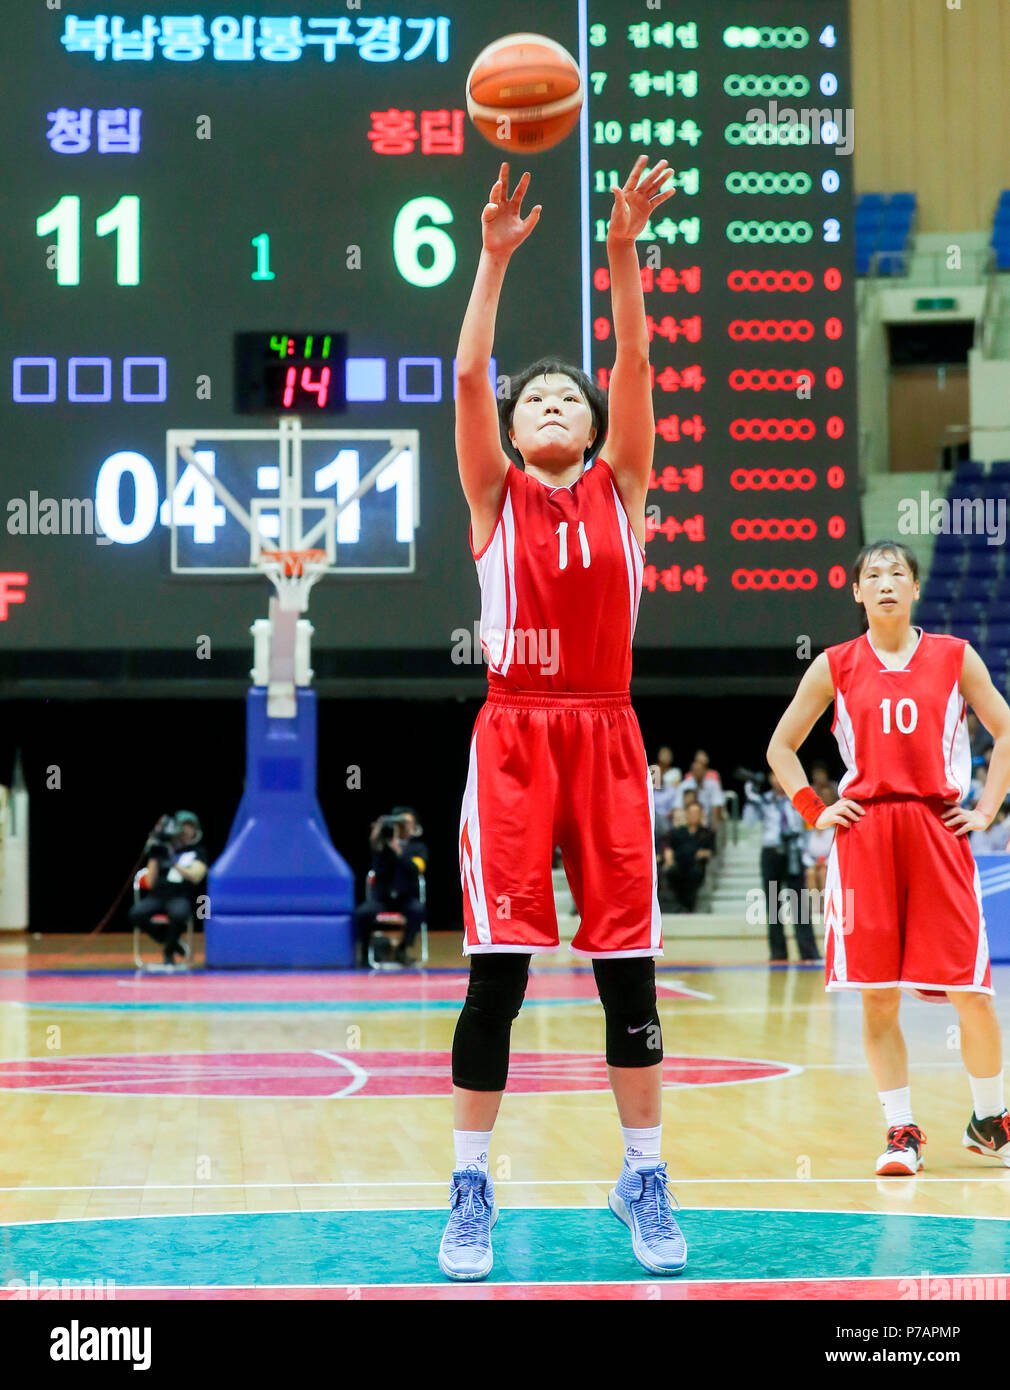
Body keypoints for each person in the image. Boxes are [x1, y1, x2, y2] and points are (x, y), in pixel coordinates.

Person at [445, 157, 685, 1281]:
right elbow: (466, 372)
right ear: (512, 427)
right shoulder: (491, 497)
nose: (547, 403)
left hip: (604, 733)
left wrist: (625, 253)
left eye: (566, 399)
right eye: (531, 398)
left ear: (592, 428)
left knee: (624, 972)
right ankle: (470, 1186)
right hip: (512, 738)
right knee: (496, 978)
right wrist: (491, 258)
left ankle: (642, 1170)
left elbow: (636, 358)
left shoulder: (620, 490)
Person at [766, 539, 1010, 1175]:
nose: (885, 584)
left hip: (938, 830)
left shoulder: (955, 657)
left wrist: (985, 812)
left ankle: (990, 1119)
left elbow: (1006, 728)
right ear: (856, 593)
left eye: (897, 574)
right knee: (877, 997)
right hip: (867, 834)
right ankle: (902, 1130)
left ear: (916, 588)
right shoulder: (835, 665)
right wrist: (815, 809)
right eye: (872, 575)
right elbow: (780, 748)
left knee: (972, 991)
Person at [743, 773, 819, 962]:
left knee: (799, 904)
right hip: (772, 853)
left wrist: (806, 855)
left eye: (780, 776)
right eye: (774, 777)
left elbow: (806, 826)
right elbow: (748, 822)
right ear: (770, 779)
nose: (778, 780)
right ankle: (778, 953)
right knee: (773, 905)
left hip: (794, 851)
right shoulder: (764, 800)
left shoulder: (797, 798)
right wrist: (750, 799)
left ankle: (808, 952)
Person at [128, 811, 207, 965]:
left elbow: (196, 876)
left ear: (195, 829)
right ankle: (172, 942)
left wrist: (174, 863)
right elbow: (150, 882)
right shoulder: (164, 848)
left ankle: (168, 952)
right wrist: (154, 854)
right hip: (157, 895)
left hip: (179, 895)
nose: (185, 830)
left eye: (189, 827)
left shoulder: (198, 851)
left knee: (179, 914)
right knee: (136, 914)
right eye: (182, 827)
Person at [355, 815, 425, 966]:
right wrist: (377, 833)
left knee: (418, 910)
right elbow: (376, 862)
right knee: (363, 913)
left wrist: (399, 852)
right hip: (382, 899)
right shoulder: (381, 846)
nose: (399, 829)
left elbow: (416, 869)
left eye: (404, 825)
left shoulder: (417, 848)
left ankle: (402, 949)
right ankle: (366, 952)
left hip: (404, 899)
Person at [661, 800, 714, 912]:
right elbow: (669, 848)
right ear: (687, 814)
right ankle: (681, 905)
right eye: (691, 812)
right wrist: (669, 858)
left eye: (696, 813)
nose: (694, 816)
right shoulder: (678, 832)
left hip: (696, 865)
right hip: (679, 863)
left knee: (695, 874)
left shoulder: (707, 833)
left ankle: (687, 907)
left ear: (700, 814)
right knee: (671, 872)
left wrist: (705, 853)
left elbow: (711, 851)